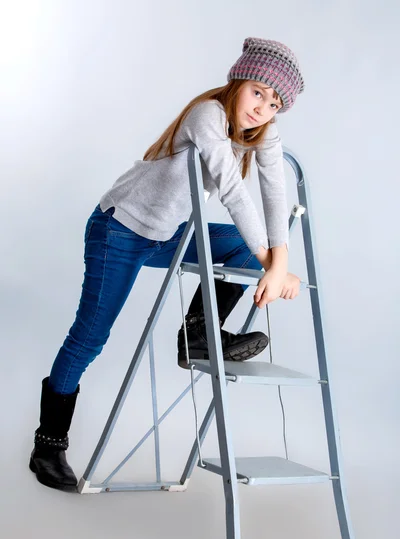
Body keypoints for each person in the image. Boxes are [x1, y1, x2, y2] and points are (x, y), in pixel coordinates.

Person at [30, 37, 305, 492]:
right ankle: (48, 444)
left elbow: (276, 191)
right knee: (91, 336)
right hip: (119, 229)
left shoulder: (262, 132)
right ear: (238, 80)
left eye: (274, 103)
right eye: (258, 92)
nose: (262, 109)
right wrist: (271, 266)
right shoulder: (207, 116)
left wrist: (281, 262)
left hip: (166, 236)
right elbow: (235, 192)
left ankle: (197, 334)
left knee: (236, 244)